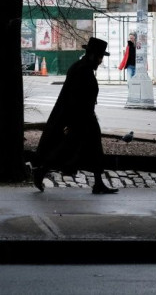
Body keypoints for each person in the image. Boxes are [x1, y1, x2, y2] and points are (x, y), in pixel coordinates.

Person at [32, 37, 118, 194]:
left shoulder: (82, 68)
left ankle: (98, 183)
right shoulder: (82, 70)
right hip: (80, 118)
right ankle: (41, 171)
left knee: (93, 150)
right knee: (66, 148)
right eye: (99, 57)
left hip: (84, 117)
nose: (100, 61)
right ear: (92, 55)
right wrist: (73, 122)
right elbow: (74, 98)